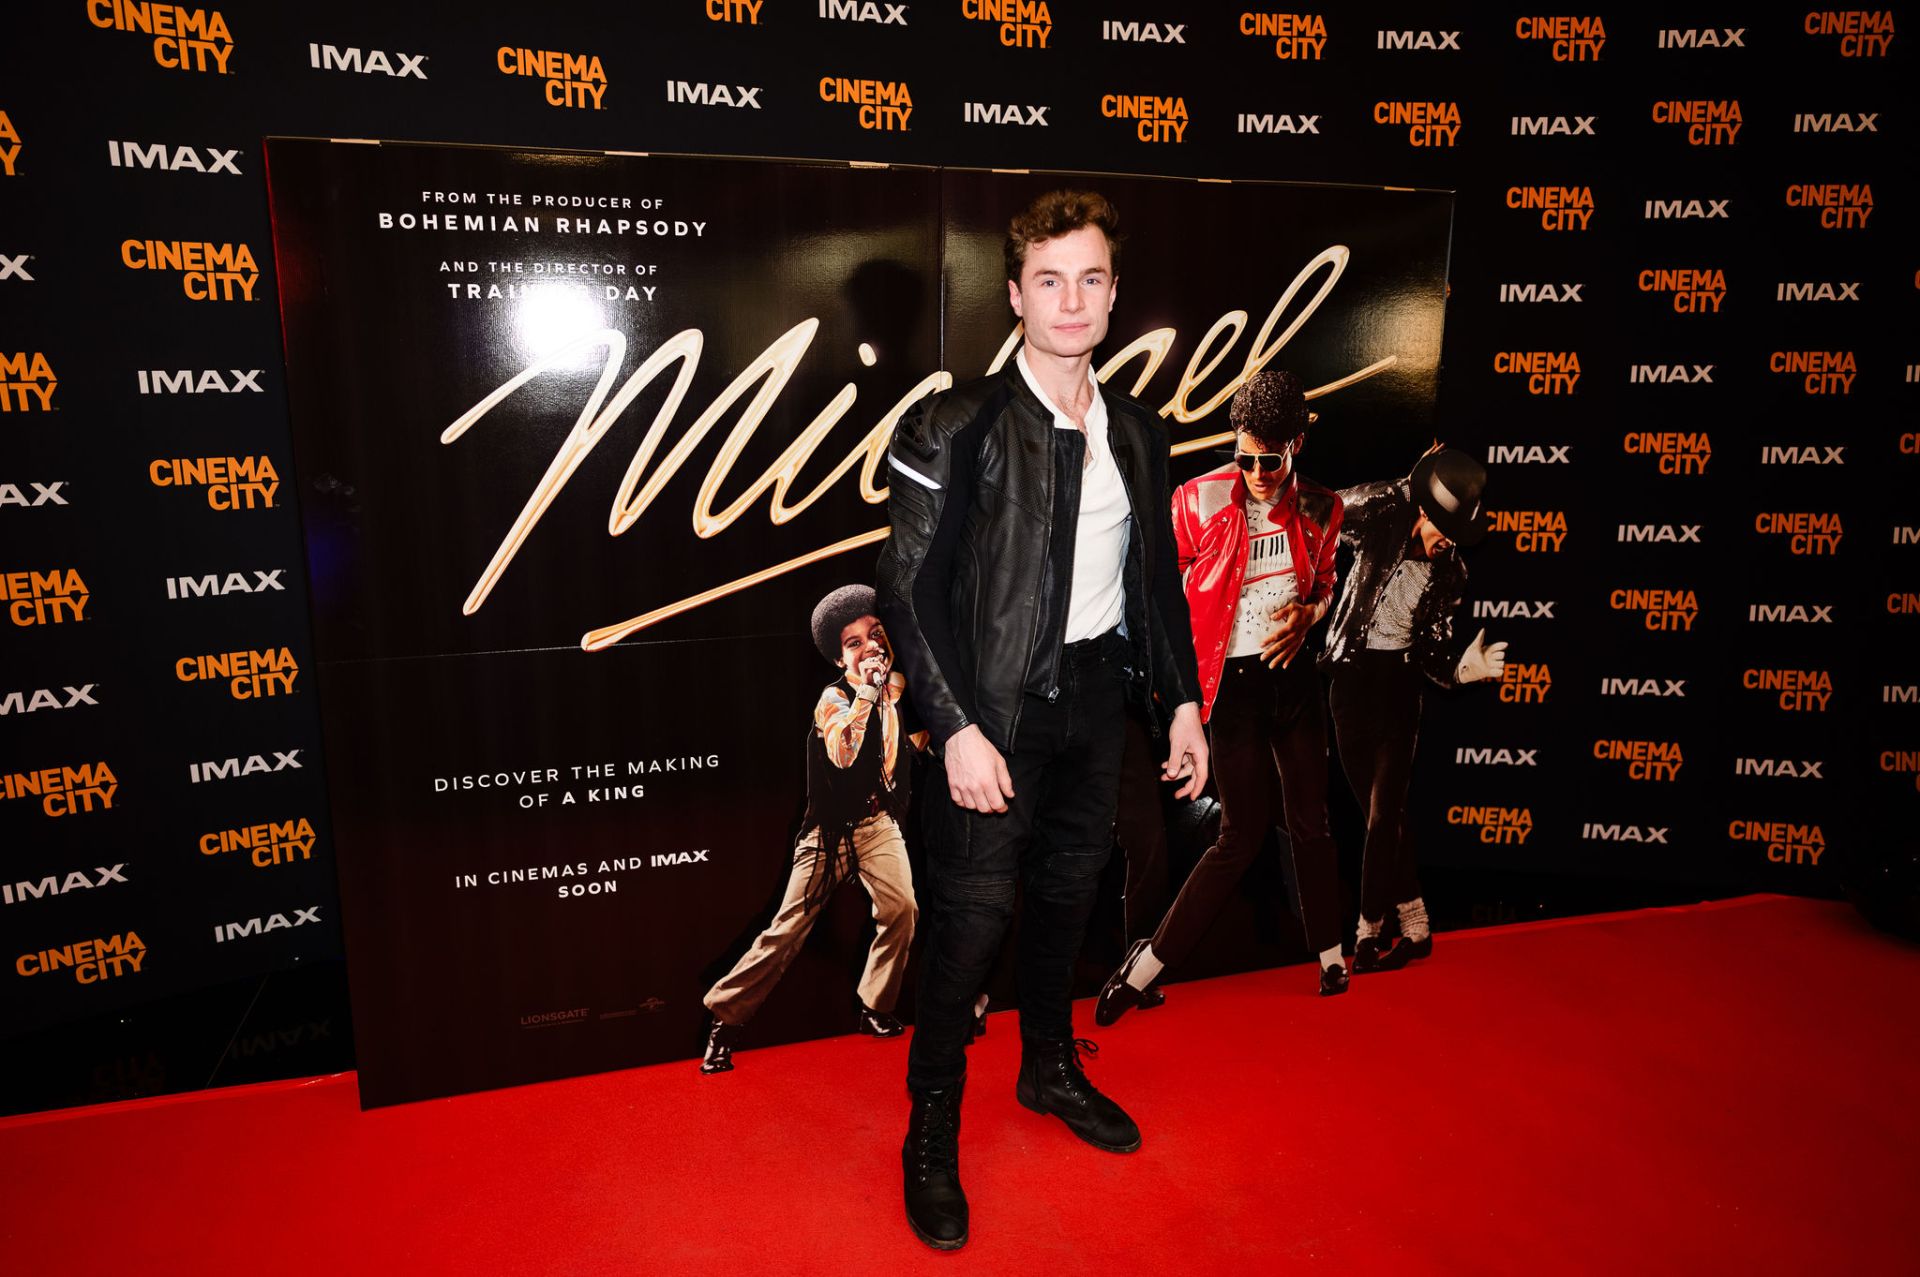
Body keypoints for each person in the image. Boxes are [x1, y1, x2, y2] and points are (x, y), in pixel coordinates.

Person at [876, 188, 1208, 1251]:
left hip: (1097, 703)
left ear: (1113, 294)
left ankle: (1048, 1066)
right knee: (971, 925)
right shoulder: (955, 424)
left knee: (1069, 896)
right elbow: (910, 593)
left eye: (1091, 279)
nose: (1072, 300)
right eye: (1050, 280)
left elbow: (1155, 584)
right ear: (1016, 295)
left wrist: (1183, 702)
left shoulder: (1140, 433)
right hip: (994, 712)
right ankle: (931, 1126)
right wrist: (957, 727)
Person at [1096, 370, 1348, 1027]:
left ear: (1296, 445)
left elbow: (1325, 581)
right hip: (1230, 686)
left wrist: (1312, 613)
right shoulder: (1197, 500)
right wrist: (1171, 681)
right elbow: (1155, 590)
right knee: (1238, 836)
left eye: (1271, 460)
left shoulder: (1323, 506)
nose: (1257, 473)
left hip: (1294, 681)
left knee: (1312, 821)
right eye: (1244, 458)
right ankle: (1144, 968)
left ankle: (1330, 955)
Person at [698, 585, 920, 1073]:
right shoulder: (832, 699)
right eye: (855, 643)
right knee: (787, 929)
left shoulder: (899, 689)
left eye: (875, 635)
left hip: (876, 823)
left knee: (902, 908)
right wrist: (868, 690)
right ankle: (724, 1021)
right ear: (840, 659)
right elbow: (842, 754)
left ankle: (875, 1006)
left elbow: (904, 744)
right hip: (828, 833)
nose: (870, 647)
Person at [1321, 447, 1507, 972]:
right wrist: (1409, 485)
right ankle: (1418, 925)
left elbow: (1433, 650)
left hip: (1400, 691)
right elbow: (1331, 508)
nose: (1449, 541)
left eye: (1459, 532)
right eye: (1444, 525)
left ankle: (1367, 931)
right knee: (1378, 817)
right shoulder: (1383, 520)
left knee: (1385, 816)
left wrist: (1460, 671)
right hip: (1350, 684)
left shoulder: (1452, 573)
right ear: (1424, 510)